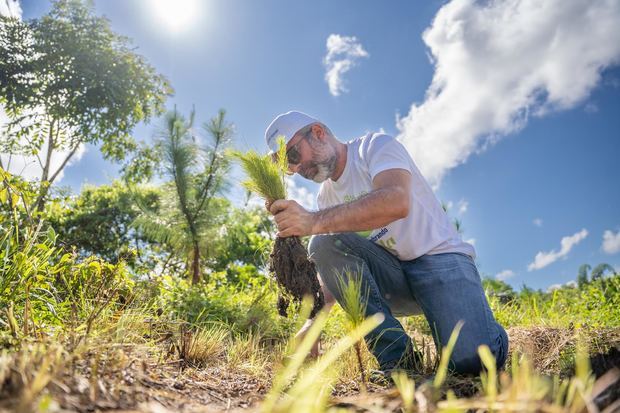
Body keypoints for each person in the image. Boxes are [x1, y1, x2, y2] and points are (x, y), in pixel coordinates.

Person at [264, 110, 508, 376]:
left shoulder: (374, 147)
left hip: (440, 262)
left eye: (294, 156)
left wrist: (312, 222)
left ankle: (490, 332)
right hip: (393, 279)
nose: (297, 169)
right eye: (288, 167)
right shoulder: (326, 198)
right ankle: (399, 361)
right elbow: (337, 269)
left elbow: (396, 201)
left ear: (319, 133)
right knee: (322, 244)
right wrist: (313, 323)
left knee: (472, 364)